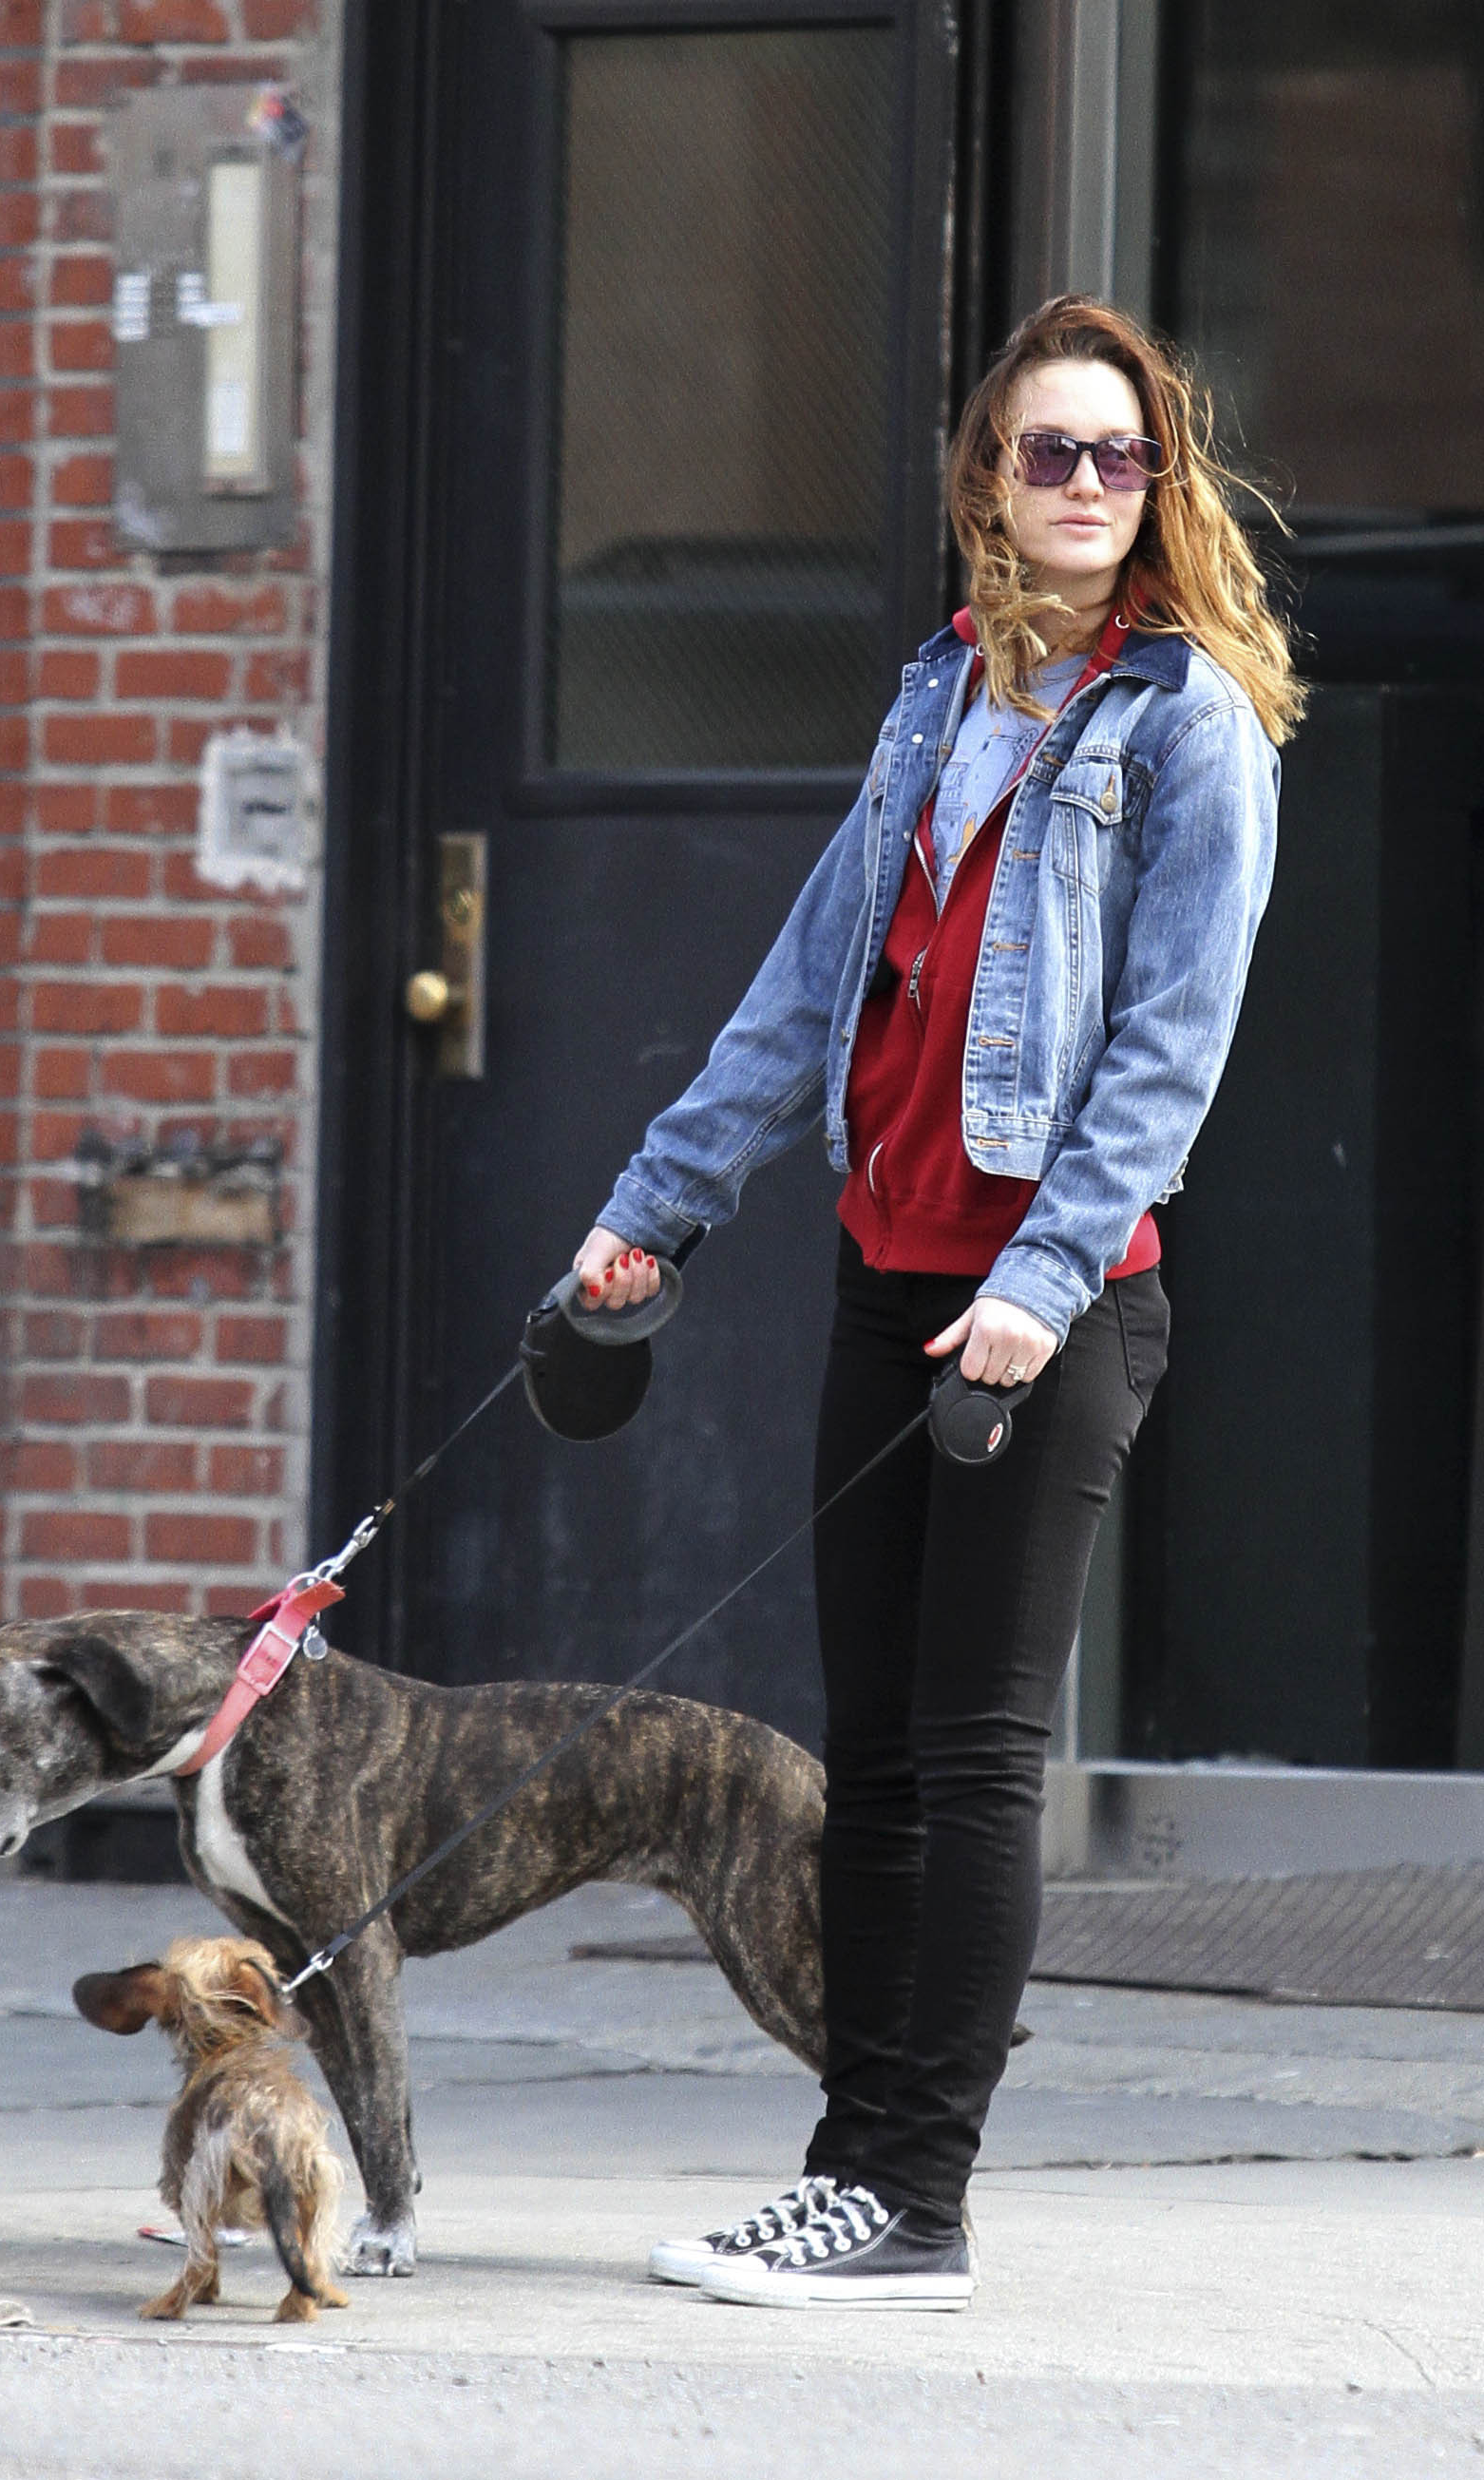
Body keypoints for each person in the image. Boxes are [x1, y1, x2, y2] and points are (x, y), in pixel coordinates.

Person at [572, 294, 1303, 2310]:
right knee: (875, 1754)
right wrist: (655, 1213)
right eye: (1050, 449)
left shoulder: (1190, 719)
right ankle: (852, 2172)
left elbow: (1172, 1049)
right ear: (989, 472)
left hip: (1044, 1314)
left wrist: (1043, 1279)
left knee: (974, 1753)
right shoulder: (943, 692)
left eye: (1123, 455)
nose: (1088, 484)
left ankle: (916, 2193)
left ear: (1159, 482)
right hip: (885, 1274)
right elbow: (812, 982)